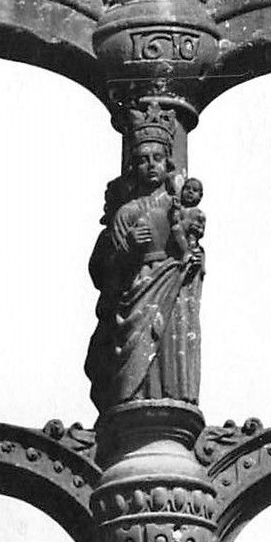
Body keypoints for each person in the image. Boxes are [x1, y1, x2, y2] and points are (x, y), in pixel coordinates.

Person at [85, 107, 205, 412]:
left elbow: (193, 254)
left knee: (170, 352)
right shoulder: (127, 213)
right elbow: (103, 274)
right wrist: (127, 248)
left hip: (173, 294)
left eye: (157, 158)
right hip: (137, 295)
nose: (151, 165)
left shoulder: (180, 209)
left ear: (168, 163)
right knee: (133, 368)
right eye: (142, 160)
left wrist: (193, 261)